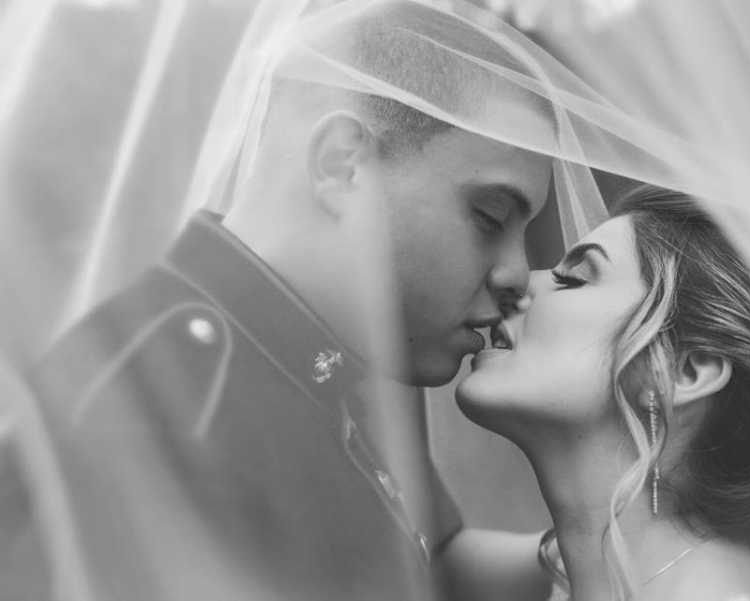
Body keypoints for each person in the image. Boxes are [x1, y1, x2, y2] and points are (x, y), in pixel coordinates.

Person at [0, 2, 573, 600]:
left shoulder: (348, 359)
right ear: (342, 164)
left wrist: (614, 545)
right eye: (490, 217)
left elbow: (431, 565)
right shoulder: (165, 393)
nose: (517, 274)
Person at [456, 185, 750, 601]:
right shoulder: (571, 568)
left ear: (685, 371)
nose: (520, 282)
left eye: (573, 279)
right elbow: (422, 545)